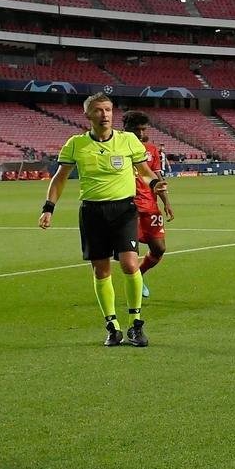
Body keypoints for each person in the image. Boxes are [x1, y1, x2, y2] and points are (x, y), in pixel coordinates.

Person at [39, 93, 170, 347]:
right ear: (88, 115)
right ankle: (112, 326)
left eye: (108, 109)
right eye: (99, 110)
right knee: (101, 270)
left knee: (130, 264)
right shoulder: (76, 144)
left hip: (124, 210)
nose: (105, 115)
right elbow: (60, 178)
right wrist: (48, 208)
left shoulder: (128, 140)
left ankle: (136, 324)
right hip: (92, 212)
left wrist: (154, 183)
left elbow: (144, 171)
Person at [122, 110, 174, 298]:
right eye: (137, 129)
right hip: (128, 206)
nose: (141, 133)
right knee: (129, 251)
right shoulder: (118, 147)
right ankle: (133, 287)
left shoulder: (151, 149)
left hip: (150, 206)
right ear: (126, 129)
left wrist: (166, 202)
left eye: (144, 129)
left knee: (159, 248)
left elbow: (158, 178)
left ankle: (140, 275)